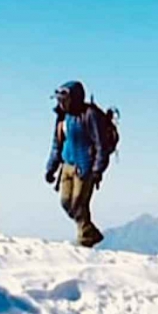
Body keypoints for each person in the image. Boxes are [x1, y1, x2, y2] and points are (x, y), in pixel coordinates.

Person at [44, 81, 109, 247]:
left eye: (63, 99)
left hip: (85, 168)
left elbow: (101, 144)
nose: (61, 103)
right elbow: (57, 144)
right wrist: (51, 167)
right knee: (66, 202)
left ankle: (84, 241)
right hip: (66, 165)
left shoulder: (90, 115)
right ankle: (89, 232)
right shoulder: (62, 118)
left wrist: (97, 169)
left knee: (79, 203)